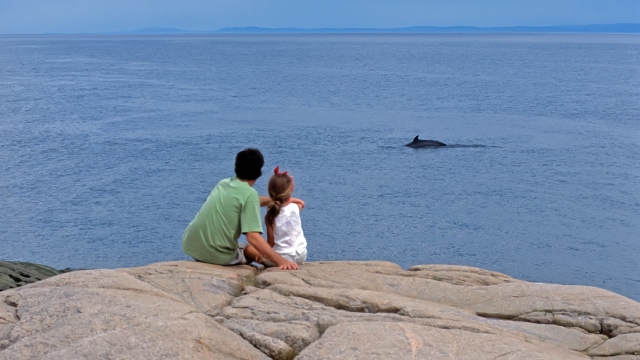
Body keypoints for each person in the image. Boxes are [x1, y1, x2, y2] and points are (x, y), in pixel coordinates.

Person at [181, 148, 301, 270]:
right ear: (259, 172)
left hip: (193, 247)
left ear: (236, 166)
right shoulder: (250, 194)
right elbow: (253, 237)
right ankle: (272, 262)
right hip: (218, 255)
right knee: (249, 249)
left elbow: (246, 201)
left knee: (240, 245)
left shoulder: (223, 183)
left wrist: (275, 200)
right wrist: (281, 261)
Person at [261, 166, 308, 266]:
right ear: (291, 189)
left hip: (283, 257)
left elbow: (271, 243)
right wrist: (291, 200)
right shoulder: (295, 208)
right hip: (301, 254)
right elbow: (301, 203)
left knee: (251, 250)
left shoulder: (270, 215)